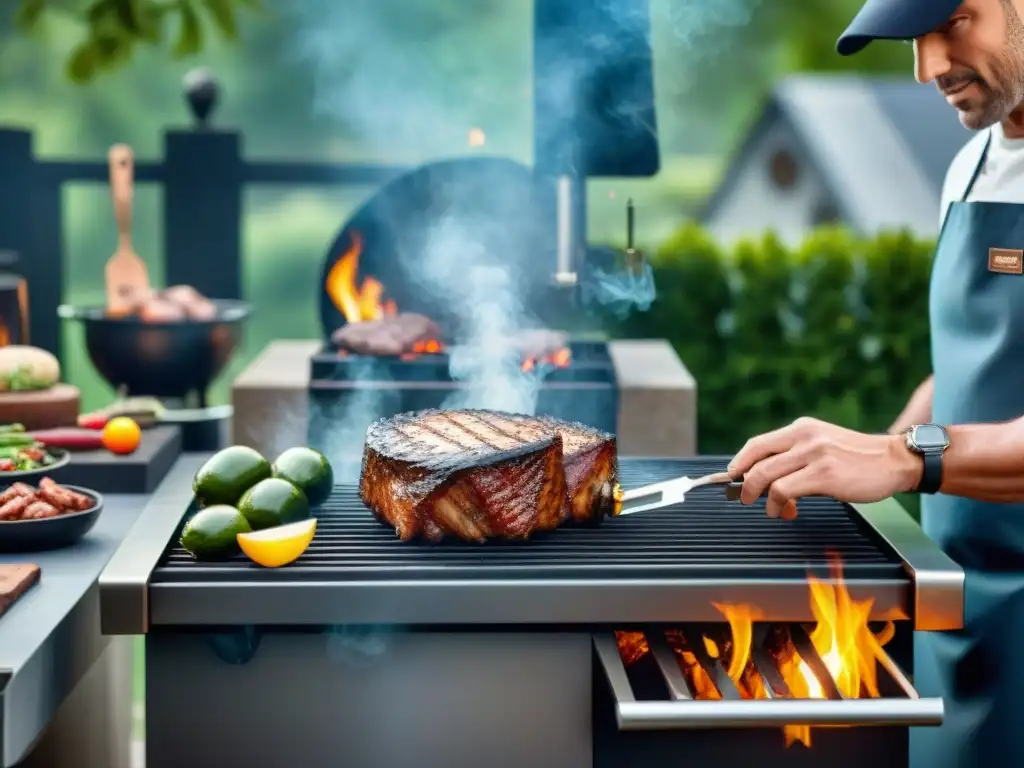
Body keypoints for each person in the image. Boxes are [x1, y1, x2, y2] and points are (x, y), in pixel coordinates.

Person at [726, 1, 1024, 765]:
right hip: (957, 603)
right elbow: (968, 363)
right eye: (912, 41)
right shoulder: (974, 162)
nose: (928, 67)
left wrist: (907, 458)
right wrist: (868, 456)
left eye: (957, 20)